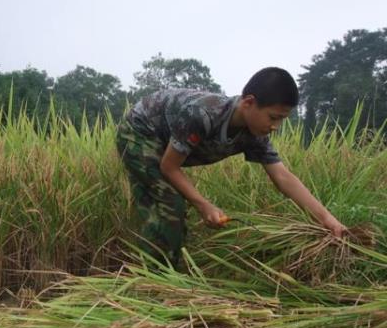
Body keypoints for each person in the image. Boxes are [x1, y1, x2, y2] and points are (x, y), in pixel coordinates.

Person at [116, 67, 346, 264]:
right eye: (273, 117)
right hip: (140, 131)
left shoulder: (255, 135)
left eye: (281, 120)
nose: (276, 126)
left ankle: (162, 270)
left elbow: (283, 177)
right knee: (168, 202)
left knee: (168, 207)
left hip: (167, 141)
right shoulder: (203, 115)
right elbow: (169, 167)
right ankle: (152, 280)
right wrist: (204, 205)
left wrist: (328, 220)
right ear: (248, 103)